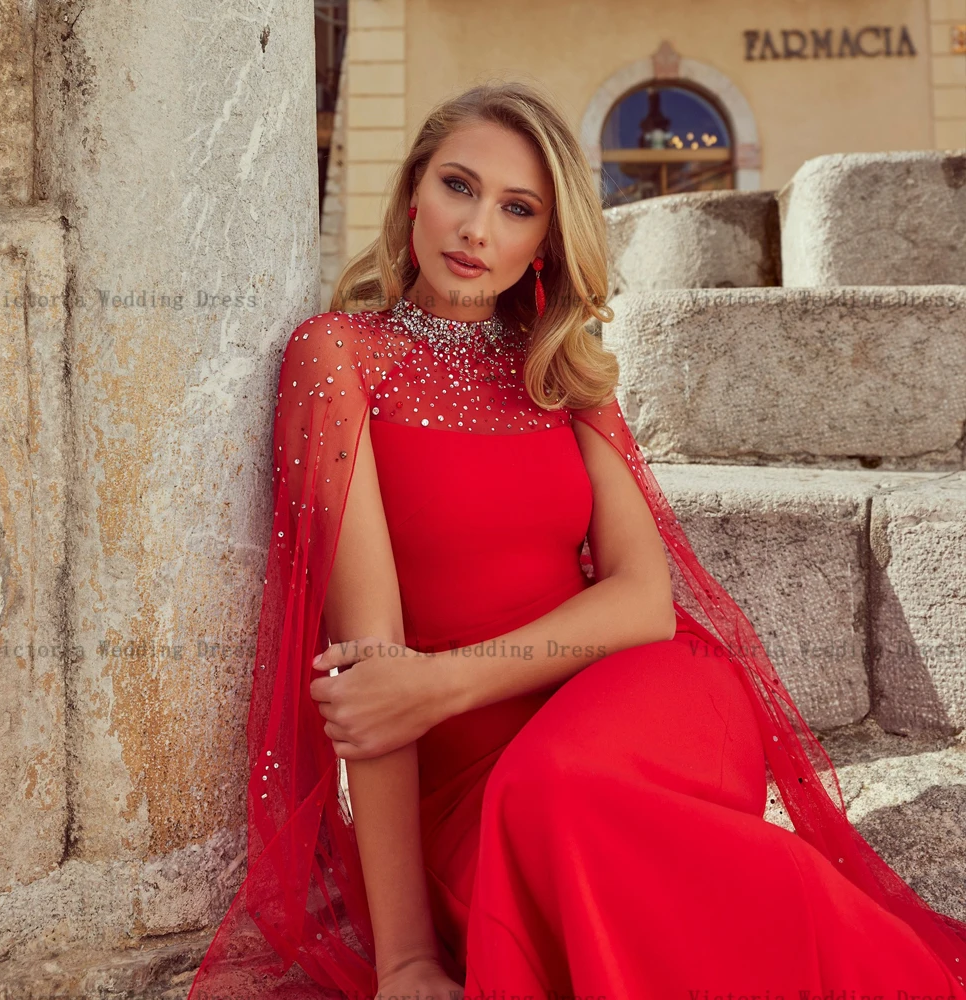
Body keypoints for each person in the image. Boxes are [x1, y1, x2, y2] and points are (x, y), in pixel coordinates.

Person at [187, 82, 966, 1000]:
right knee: (596, 856)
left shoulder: (560, 370)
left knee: (555, 785)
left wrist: (441, 682)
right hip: (476, 794)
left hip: (644, 700)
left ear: (545, 241)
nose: (477, 229)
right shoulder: (341, 357)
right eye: (458, 187)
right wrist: (405, 960)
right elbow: (375, 680)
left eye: (517, 209)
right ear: (411, 196)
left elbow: (641, 604)